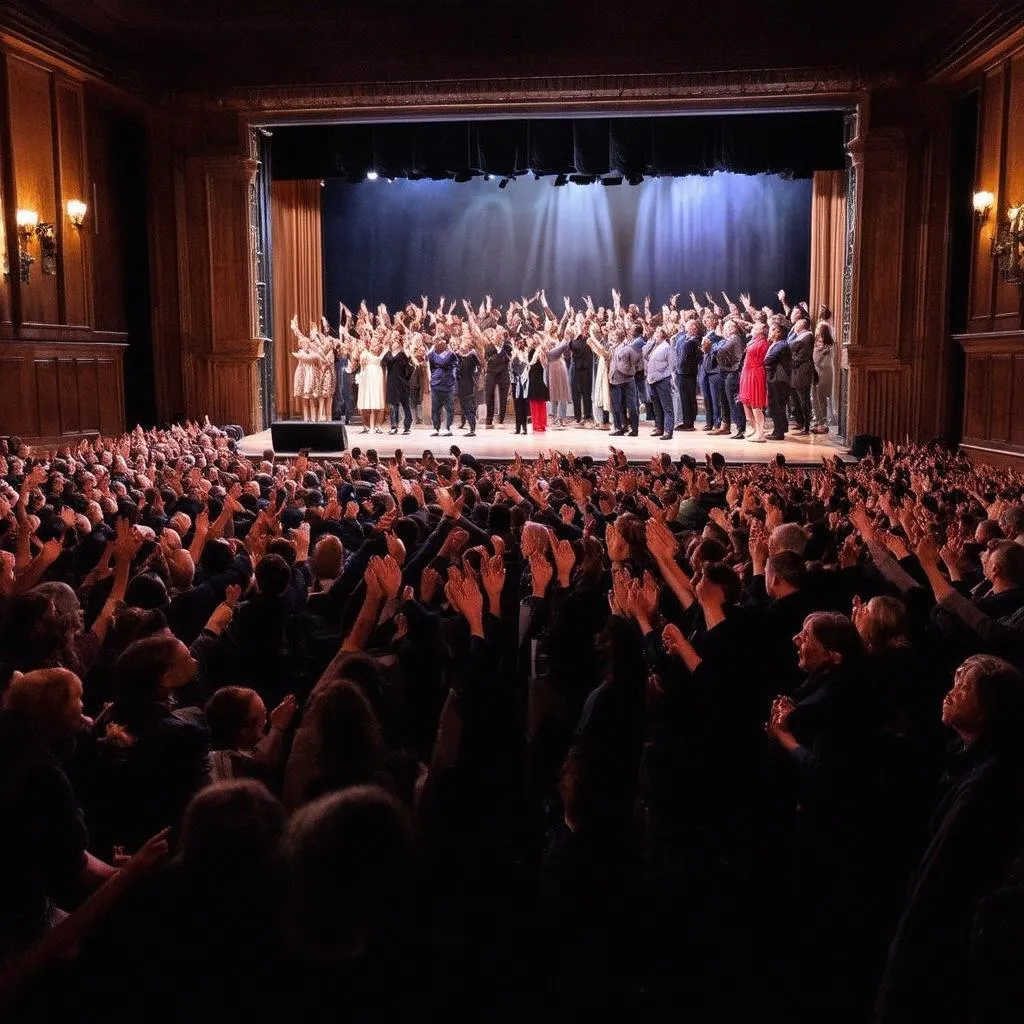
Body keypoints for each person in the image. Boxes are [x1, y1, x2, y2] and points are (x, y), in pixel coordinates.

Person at [874, 655, 1024, 1024]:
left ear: (991, 707)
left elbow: (938, 879)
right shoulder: (962, 762)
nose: (951, 693)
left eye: (964, 687)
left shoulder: (985, 784)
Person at [738, 322, 769, 443]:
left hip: (755, 373)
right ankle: (756, 429)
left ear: (762, 331)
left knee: (756, 404)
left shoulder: (763, 343)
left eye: (756, 328)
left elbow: (764, 360)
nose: (753, 328)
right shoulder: (754, 340)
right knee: (748, 402)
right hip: (748, 372)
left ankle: (760, 433)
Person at [427, 336, 458, 437]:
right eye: (437, 341)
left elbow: (443, 362)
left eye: (441, 341)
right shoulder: (432, 355)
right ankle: (436, 428)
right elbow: (431, 367)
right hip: (436, 384)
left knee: (449, 408)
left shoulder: (452, 355)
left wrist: (435, 358)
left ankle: (447, 428)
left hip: (448, 385)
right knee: (435, 408)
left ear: (446, 344)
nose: (439, 343)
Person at [812, 320, 835, 434]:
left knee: (821, 398)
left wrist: (817, 349)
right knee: (815, 397)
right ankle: (819, 419)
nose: (816, 329)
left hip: (823, 372)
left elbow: (816, 358)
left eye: (818, 328)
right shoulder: (818, 343)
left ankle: (823, 422)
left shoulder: (828, 346)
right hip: (817, 371)